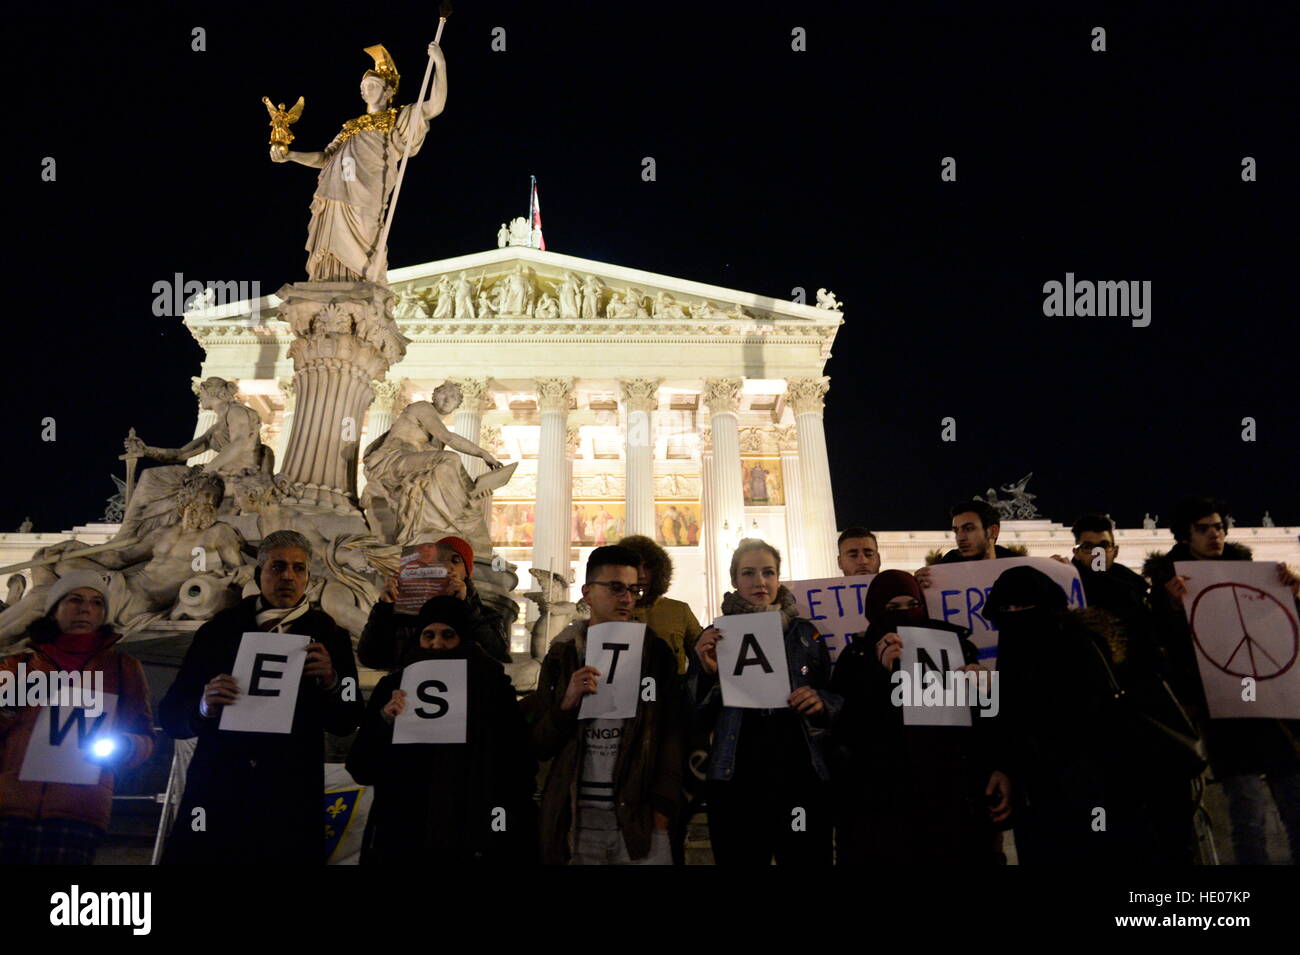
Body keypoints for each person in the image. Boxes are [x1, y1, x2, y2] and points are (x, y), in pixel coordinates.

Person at [159, 530, 364, 864]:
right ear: (259, 574)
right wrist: (202, 706)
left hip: (291, 795)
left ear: (309, 578)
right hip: (220, 788)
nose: (288, 576)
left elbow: (349, 719)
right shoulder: (218, 631)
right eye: (277, 566)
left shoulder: (331, 636)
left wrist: (332, 682)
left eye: (299, 568)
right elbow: (170, 716)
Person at [989, 565, 1178, 864]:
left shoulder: (1080, 647)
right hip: (1039, 795)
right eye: (1008, 608)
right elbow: (1010, 719)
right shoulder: (1013, 649)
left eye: (1025, 606)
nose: (1016, 614)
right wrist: (1005, 768)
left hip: (1097, 790)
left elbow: (1095, 720)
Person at [1147, 496, 1300, 864]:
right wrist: (1170, 609)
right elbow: (1160, 647)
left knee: (1295, 803)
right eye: (1204, 528)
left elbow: (1282, 634)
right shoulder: (1167, 586)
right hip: (1223, 711)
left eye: (1219, 526)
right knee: (1247, 811)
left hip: (1273, 706)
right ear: (1185, 536)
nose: (1215, 534)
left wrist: (1292, 594)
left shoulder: (1256, 573)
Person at [830, 570, 1010, 865]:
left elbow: (986, 718)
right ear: (875, 610)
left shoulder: (955, 644)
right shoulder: (857, 655)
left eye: (912, 604)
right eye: (893, 608)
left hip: (951, 794)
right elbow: (845, 727)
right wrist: (878, 675)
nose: (905, 614)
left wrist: (988, 689)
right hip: (884, 801)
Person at [346, 596, 537, 865]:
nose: (437, 643)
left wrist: (503, 823)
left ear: (465, 638)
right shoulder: (392, 686)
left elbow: (517, 763)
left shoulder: (492, 687)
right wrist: (384, 721)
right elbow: (361, 767)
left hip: (470, 831)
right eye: (429, 635)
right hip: (403, 835)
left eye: (448, 635)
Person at [524, 545, 684, 865]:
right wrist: (566, 704)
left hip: (639, 820)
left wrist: (663, 809)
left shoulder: (655, 653)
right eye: (615, 588)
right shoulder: (562, 654)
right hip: (576, 819)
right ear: (587, 593)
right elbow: (540, 744)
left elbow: (673, 731)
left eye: (633, 589)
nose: (627, 598)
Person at [690, 539, 842, 864]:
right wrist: (707, 673)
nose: (760, 581)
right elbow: (694, 713)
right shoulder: (714, 636)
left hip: (800, 780)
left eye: (768, 572)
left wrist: (820, 702)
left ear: (778, 578)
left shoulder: (806, 634)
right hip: (737, 784)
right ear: (734, 580)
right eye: (749, 573)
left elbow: (835, 694)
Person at [0, 572, 155, 864]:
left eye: (97, 603)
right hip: (8, 806)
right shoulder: (18, 665)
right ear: (54, 609)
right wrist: (8, 708)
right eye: (75, 600)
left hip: (79, 810)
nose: (86, 609)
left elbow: (145, 735)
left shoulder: (124, 668)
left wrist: (126, 745)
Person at [272, 43, 447, 282]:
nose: (365, 90)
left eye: (372, 86)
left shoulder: (398, 118)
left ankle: (365, 282)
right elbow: (325, 157)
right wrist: (292, 155)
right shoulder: (350, 126)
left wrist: (440, 63)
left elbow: (435, 105)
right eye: (363, 87)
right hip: (337, 191)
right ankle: (330, 280)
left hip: (368, 192)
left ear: (388, 92)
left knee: (368, 231)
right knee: (332, 238)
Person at [358, 535, 511, 668]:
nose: (448, 566)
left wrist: (465, 607)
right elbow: (371, 658)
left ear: (467, 572)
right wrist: (384, 608)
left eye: (455, 560)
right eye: (441, 559)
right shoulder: (404, 613)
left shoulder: (486, 615)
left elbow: (497, 655)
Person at [617, 535, 704, 676]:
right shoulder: (611, 610)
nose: (642, 575)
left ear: (658, 571)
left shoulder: (679, 611)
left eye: (648, 567)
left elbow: (702, 656)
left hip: (672, 695)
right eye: (634, 566)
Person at [916, 500, 1018, 590]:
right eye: (956, 531)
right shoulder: (938, 574)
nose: (960, 538)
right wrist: (918, 591)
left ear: (993, 531)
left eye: (969, 529)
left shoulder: (1020, 571)